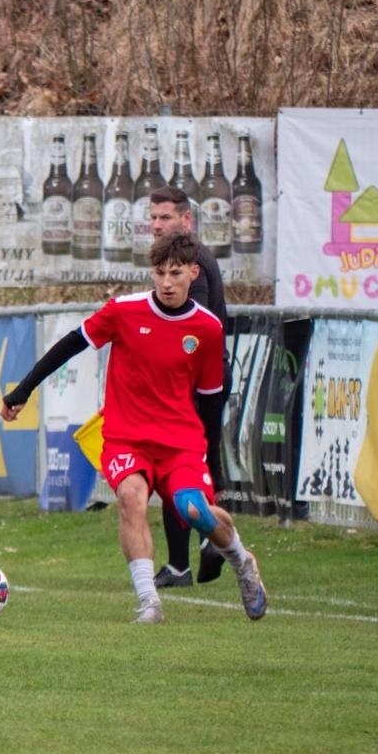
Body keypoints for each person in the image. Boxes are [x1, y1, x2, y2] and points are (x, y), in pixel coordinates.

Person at [0, 231, 266, 624]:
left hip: (180, 444)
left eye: (175, 273)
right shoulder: (123, 311)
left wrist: (215, 465)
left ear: (194, 272)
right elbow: (72, 344)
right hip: (127, 438)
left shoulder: (207, 329)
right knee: (130, 497)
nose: (166, 282)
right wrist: (22, 391)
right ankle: (150, 603)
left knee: (193, 511)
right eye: (159, 273)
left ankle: (243, 564)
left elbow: (211, 400)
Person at [145, 186, 231, 589]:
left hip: (194, 384)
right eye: (153, 216)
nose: (158, 224)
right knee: (192, 468)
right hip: (190, 382)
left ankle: (201, 548)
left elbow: (190, 333)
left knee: (179, 470)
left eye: (166, 216)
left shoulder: (190, 263)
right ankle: (193, 554)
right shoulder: (180, 261)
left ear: (186, 220)